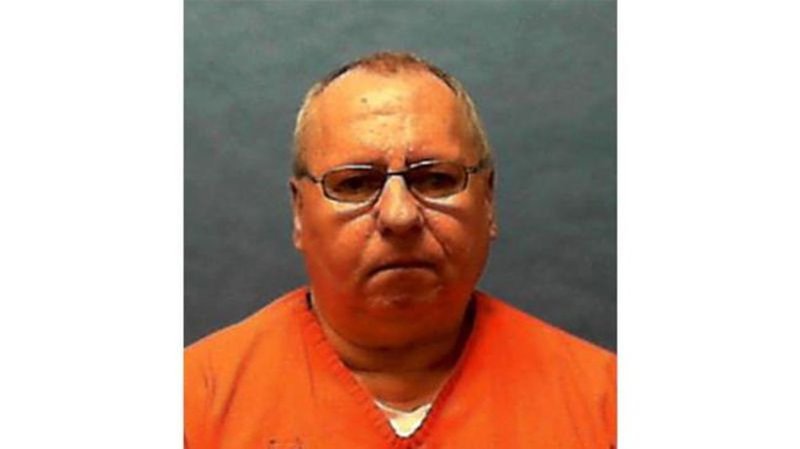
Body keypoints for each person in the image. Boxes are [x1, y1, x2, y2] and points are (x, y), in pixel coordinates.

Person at [184, 51, 616, 449]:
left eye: (436, 179)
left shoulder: (607, 406)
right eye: (355, 183)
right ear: (300, 212)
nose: (400, 215)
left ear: (487, 201)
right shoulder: (192, 404)